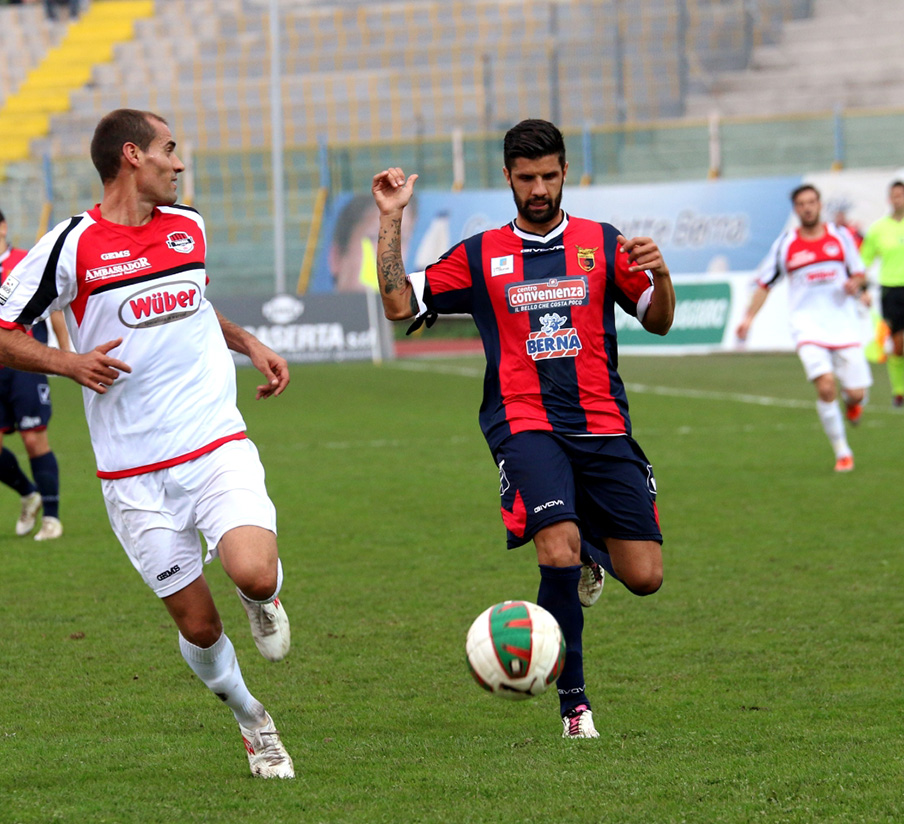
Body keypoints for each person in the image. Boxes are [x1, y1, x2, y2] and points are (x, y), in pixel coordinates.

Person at [0, 109, 295, 780]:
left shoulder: (190, 226)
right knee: (201, 628)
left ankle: (261, 599)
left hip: (214, 443)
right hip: (134, 474)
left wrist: (248, 341)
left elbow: (193, 302)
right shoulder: (71, 245)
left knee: (254, 570)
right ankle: (250, 717)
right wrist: (71, 364)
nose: (178, 164)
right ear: (132, 157)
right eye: (168, 150)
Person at [372, 118, 674, 740]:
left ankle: (593, 554)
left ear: (566, 174)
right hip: (524, 422)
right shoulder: (481, 254)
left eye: (549, 176)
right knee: (554, 544)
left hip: (602, 425)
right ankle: (575, 706)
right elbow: (400, 303)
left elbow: (659, 319)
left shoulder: (601, 242)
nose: (539, 188)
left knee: (644, 577)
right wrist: (391, 219)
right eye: (527, 177)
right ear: (507, 177)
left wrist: (662, 275)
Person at [736, 184, 871, 472]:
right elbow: (765, 284)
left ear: (820, 205)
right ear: (796, 209)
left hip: (843, 324)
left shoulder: (841, 236)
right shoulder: (786, 244)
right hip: (807, 327)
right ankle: (842, 451)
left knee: (857, 393)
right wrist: (748, 318)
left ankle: (853, 403)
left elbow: (859, 272)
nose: (807, 207)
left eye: (812, 202)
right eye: (801, 203)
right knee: (825, 387)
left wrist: (857, 285)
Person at [0, 204, 70, 540]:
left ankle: (51, 518)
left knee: (34, 439)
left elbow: (56, 310)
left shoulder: (27, 260)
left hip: (25, 364)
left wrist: (66, 356)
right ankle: (29, 493)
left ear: (2, 227)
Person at [860, 180, 904, 408]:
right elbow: (863, 261)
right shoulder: (878, 229)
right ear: (889, 199)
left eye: (902, 195)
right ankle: (899, 391)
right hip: (892, 291)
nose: (898, 199)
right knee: (898, 346)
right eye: (895, 195)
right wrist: (862, 288)